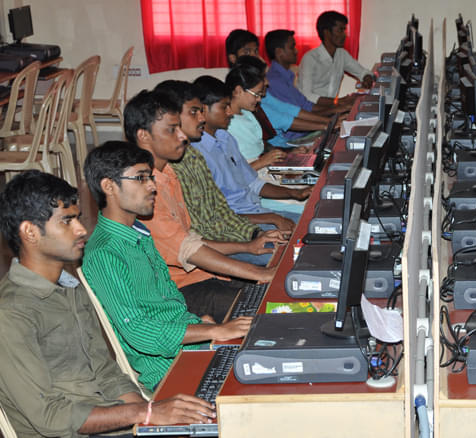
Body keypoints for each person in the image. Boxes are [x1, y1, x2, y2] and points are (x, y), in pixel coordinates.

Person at [0, 170, 217, 436]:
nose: (81, 229)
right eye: (67, 221)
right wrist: (145, 414)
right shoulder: (11, 313)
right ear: (30, 232)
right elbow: (49, 417)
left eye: (78, 218)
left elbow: (106, 371)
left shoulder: (69, 287)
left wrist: (152, 419)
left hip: (109, 420)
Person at [82, 142, 254, 392]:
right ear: (108, 186)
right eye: (141, 178)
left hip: (191, 350)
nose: (152, 186)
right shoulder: (104, 253)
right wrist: (214, 329)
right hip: (169, 370)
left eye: (150, 177)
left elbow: (168, 302)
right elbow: (140, 332)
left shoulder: (139, 234)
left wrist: (200, 325)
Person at [122, 90, 276, 291]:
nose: (182, 136)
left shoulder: (168, 172)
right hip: (178, 289)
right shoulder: (144, 189)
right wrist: (258, 272)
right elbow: (187, 249)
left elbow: (192, 238)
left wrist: (248, 247)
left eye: (180, 127)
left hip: (201, 274)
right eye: (171, 130)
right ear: (143, 136)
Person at [151, 80, 285, 267]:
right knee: (285, 258)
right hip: (213, 249)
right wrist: (249, 244)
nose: (201, 118)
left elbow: (221, 212)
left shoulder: (193, 156)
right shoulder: (165, 171)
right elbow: (199, 233)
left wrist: (255, 234)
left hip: (232, 234)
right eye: (194, 112)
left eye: (200, 111)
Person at [195, 74, 311, 220]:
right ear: (204, 110)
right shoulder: (197, 153)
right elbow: (218, 215)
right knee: (310, 218)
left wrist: (295, 193)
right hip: (240, 220)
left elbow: (253, 182)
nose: (230, 112)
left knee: (315, 210)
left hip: (255, 207)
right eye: (224, 107)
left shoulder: (226, 138)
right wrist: (272, 219)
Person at [264, 29, 351, 114]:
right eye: (292, 47)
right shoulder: (275, 81)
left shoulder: (287, 76)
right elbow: (296, 115)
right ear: (279, 52)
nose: (296, 51)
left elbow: (307, 105)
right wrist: (334, 112)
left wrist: (339, 106)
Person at [298, 10, 374, 102]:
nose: (344, 35)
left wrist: (367, 78)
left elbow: (362, 72)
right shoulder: (310, 58)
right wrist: (338, 102)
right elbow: (306, 96)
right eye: (340, 30)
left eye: (344, 30)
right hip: (310, 110)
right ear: (326, 33)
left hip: (332, 109)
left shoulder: (341, 54)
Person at [224, 29, 278, 147]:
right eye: (247, 52)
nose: (254, 56)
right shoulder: (243, 102)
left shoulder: (247, 108)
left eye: (256, 51)